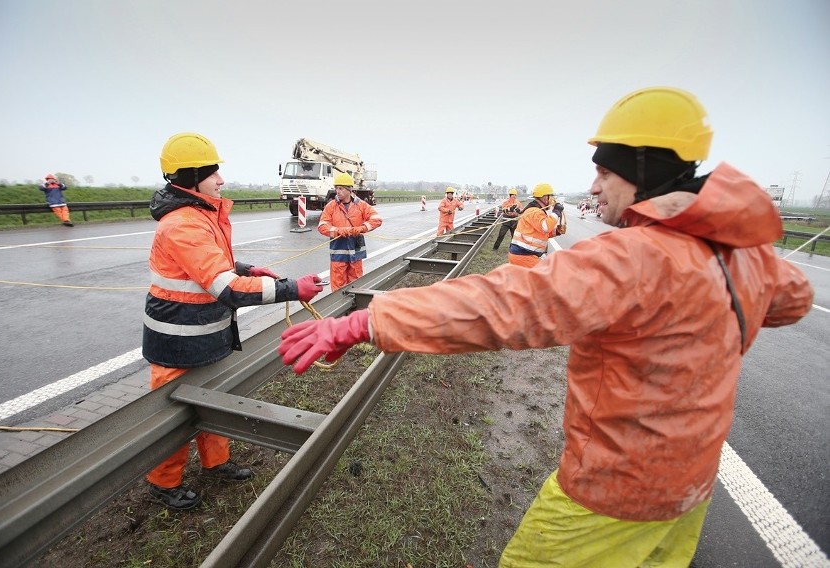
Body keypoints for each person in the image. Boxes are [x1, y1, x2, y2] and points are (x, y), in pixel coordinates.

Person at [277, 86, 814, 567]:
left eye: (606, 172)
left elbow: (503, 303)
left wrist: (369, 321)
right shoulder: (746, 260)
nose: (594, 186)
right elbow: (793, 300)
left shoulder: (635, 259)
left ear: (643, 171)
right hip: (689, 491)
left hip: (611, 493)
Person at [143, 132, 324, 510]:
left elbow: (212, 267)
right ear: (192, 177)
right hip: (178, 339)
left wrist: (245, 266)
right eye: (213, 173)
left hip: (204, 333)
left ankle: (216, 463)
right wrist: (294, 288)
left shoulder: (201, 215)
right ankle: (163, 482)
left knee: (215, 400)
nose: (221, 180)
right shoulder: (184, 224)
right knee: (173, 419)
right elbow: (229, 290)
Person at [318, 172, 383, 291]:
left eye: (341, 188)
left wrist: (361, 228)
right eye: (336, 188)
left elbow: (376, 219)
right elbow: (322, 226)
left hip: (355, 253)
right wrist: (338, 231)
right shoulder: (331, 206)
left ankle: (355, 308)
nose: (338, 191)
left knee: (356, 284)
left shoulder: (361, 205)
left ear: (349, 190)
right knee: (338, 287)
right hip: (338, 253)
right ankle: (340, 308)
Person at [507, 183, 564, 267]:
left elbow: (540, 232)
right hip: (524, 256)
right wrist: (556, 212)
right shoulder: (535, 211)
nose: (552, 199)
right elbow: (546, 227)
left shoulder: (536, 211)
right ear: (545, 197)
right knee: (547, 275)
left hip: (525, 255)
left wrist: (557, 231)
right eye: (551, 196)